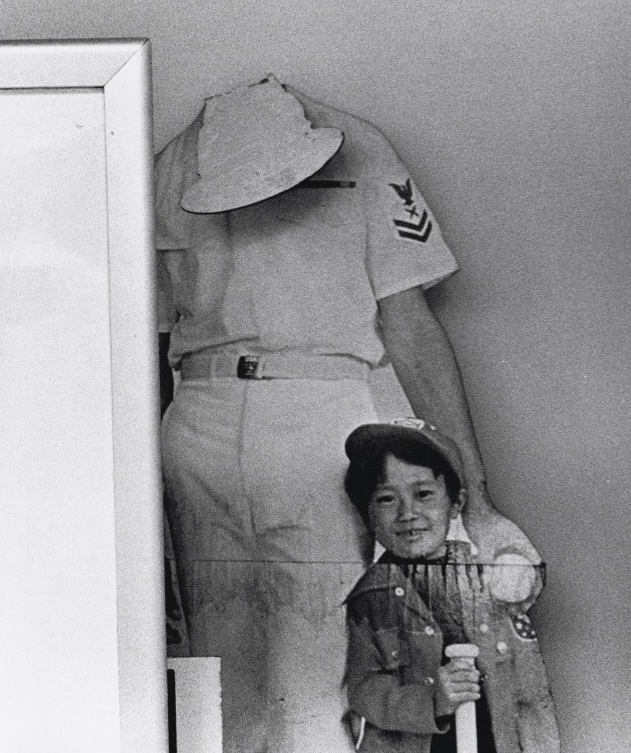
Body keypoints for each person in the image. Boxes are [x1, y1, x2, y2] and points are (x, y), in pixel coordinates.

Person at [155, 75, 540, 752]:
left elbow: (411, 330)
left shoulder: (361, 150)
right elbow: (143, 338)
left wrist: (476, 501)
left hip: (316, 413)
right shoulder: (171, 164)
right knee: (215, 681)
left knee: (316, 673)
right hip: (198, 418)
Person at [342, 418, 559, 753]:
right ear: (368, 515)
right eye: (386, 499)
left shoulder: (485, 574)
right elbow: (365, 689)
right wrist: (432, 700)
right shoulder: (373, 596)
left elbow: (526, 663)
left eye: (423, 494)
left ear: (456, 503)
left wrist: (522, 575)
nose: (407, 513)